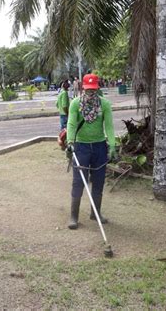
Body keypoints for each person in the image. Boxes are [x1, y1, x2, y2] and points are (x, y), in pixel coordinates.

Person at [65, 73, 116, 229]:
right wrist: (70, 141)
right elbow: (72, 124)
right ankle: (74, 216)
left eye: (93, 89)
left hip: (100, 147)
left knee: (99, 181)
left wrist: (112, 145)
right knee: (79, 182)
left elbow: (109, 126)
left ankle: (96, 213)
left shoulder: (105, 104)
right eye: (88, 89)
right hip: (81, 147)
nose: (90, 92)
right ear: (83, 88)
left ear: (97, 88)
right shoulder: (75, 104)